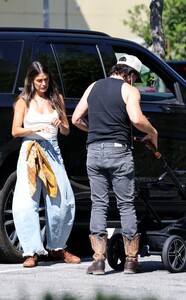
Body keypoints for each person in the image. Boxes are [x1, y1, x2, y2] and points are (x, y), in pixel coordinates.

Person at [72, 54, 158, 275]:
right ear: (129, 75)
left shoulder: (92, 87)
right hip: (119, 152)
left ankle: (98, 261)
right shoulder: (129, 90)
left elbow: (76, 119)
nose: (134, 81)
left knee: (98, 204)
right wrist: (153, 132)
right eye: (135, 77)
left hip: (94, 151)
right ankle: (131, 261)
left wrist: (94, 131)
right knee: (125, 204)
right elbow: (137, 119)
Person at [12, 61, 81, 267]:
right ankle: (31, 251)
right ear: (31, 80)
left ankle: (58, 247)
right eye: (39, 80)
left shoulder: (56, 98)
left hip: (53, 149)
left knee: (62, 200)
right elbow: (15, 130)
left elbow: (67, 131)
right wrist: (38, 128)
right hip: (31, 150)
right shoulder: (23, 101)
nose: (43, 84)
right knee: (26, 201)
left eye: (46, 80)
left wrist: (61, 125)